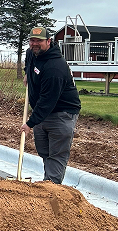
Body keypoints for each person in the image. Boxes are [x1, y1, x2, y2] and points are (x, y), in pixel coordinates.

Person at [21, 26, 81, 184]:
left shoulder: (55, 68)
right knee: (44, 150)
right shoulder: (32, 52)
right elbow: (29, 60)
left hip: (62, 113)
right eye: (32, 40)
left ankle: (52, 190)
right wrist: (27, 72)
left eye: (39, 41)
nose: (34, 44)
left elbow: (47, 101)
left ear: (48, 41)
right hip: (43, 111)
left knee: (56, 154)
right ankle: (49, 182)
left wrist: (30, 124)